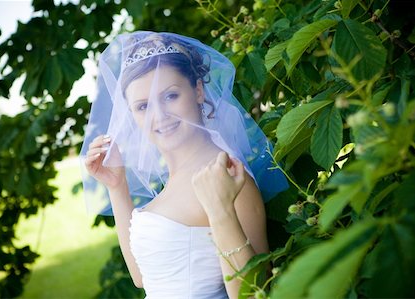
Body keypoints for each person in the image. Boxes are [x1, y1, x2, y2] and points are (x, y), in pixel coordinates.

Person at [80, 31, 288, 299]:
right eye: (143, 106)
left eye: (170, 96)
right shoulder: (174, 179)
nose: (159, 115)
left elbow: (253, 294)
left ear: (198, 90)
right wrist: (117, 187)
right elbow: (142, 277)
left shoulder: (227, 177)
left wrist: (220, 210)